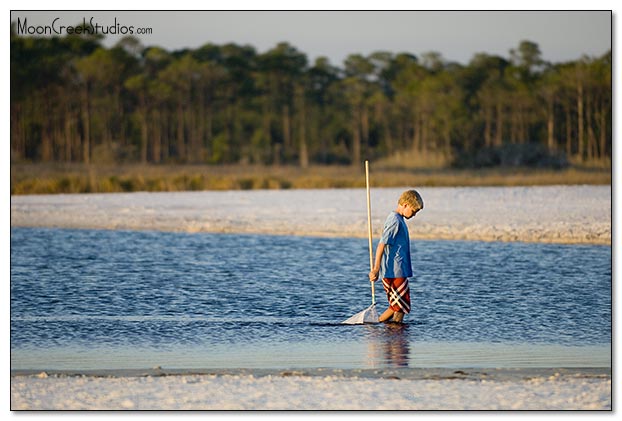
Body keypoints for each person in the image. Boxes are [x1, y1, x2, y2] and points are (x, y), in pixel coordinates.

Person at [369, 189, 424, 323]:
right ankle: (395, 338)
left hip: (398, 270)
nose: (414, 215)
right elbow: (382, 244)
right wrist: (376, 269)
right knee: (400, 306)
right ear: (405, 205)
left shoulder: (399, 219)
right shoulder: (395, 220)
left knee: (397, 305)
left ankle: (377, 325)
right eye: (414, 211)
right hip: (393, 271)